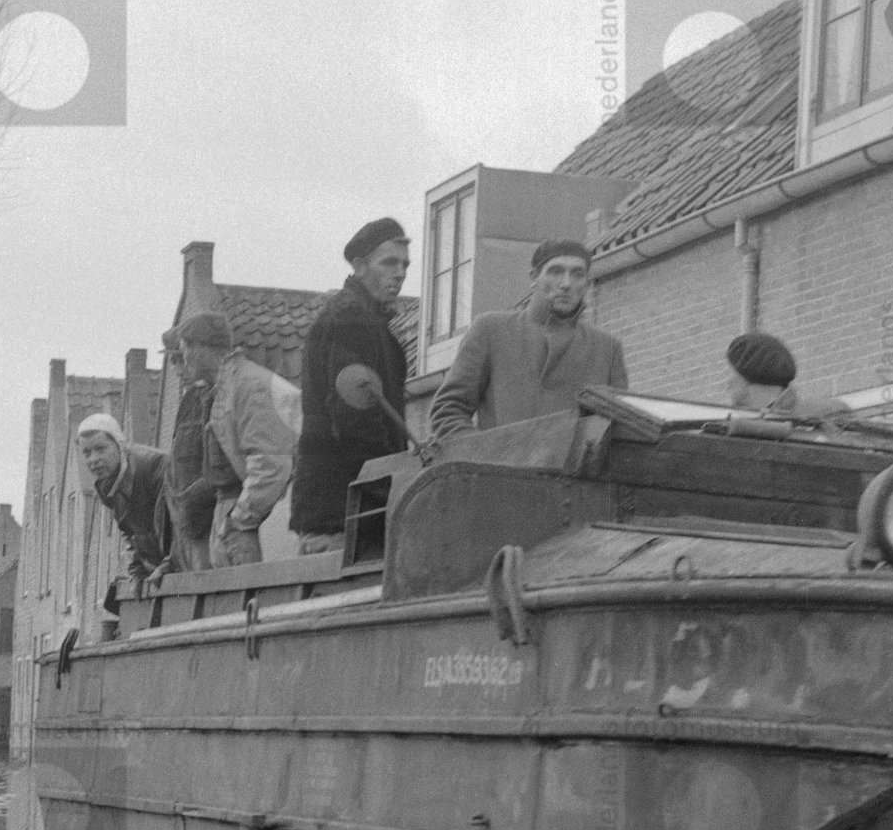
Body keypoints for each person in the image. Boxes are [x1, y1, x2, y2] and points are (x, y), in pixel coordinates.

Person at [290, 216, 412, 553]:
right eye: (389, 263)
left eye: (404, 265)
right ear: (359, 266)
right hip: (346, 514)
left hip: (343, 510)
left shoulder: (361, 317)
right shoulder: (352, 318)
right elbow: (355, 419)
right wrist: (394, 489)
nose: (400, 273)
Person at [426, 238, 627, 442]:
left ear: (587, 283)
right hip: (500, 461)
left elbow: (621, 430)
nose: (566, 283)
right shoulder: (491, 330)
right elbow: (448, 410)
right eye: (555, 271)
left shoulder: (607, 349)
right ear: (534, 277)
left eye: (577, 274)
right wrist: (485, 452)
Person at [175, 311, 299, 568]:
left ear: (199, 348)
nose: (183, 359)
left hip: (254, 519)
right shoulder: (225, 387)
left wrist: (238, 520)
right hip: (238, 512)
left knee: (253, 591)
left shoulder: (249, 386)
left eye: (184, 349)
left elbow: (270, 465)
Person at [76, 412, 168, 579]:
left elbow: (179, 522)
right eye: (87, 453)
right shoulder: (107, 487)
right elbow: (131, 533)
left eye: (100, 449)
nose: (93, 459)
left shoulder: (153, 466)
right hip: (158, 571)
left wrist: (168, 565)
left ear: (119, 445)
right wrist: (137, 570)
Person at [159, 327, 218, 575]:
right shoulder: (190, 400)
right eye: (172, 361)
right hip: (187, 531)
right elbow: (178, 473)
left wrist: (192, 499)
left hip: (208, 526)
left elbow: (221, 467)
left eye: (180, 359)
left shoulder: (215, 396)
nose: (177, 369)